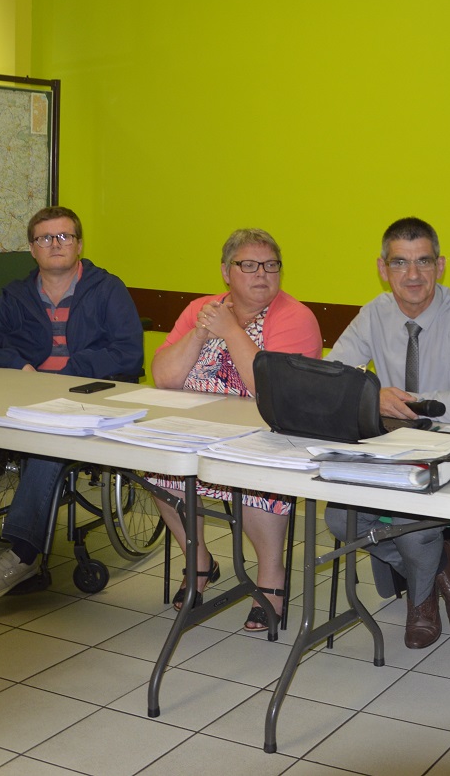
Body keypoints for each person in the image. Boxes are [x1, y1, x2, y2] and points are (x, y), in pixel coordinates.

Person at [0, 206, 143, 599]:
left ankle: (24, 552)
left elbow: (129, 354)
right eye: (45, 238)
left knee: (47, 445)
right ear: (32, 248)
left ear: (79, 244)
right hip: (25, 394)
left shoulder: (107, 289)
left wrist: (67, 374)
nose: (55, 244)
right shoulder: (17, 295)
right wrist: (21, 367)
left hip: (87, 398)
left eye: (64, 236)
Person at [325, 217, 450, 648]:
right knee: (340, 518)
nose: (413, 275)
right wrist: (372, 398)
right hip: (399, 445)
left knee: (409, 518)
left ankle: (421, 605)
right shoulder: (375, 313)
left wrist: (387, 400)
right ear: (382, 268)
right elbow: (332, 380)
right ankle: (441, 567)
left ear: (440, 265)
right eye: (400, 263)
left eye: (423, 262)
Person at [145, 228, 322, 626]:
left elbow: (271, 390)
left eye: (271, 265)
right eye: (250, 265)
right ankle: (198, 560)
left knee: (256, 475)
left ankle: (271, 575)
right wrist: (200, 332)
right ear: (226, 272)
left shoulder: (294, 317)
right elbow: (165, 378)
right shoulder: (202, 309)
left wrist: (230, 331)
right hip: (201, 431)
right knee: (161, 466)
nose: (263, 274)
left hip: (270, 433)